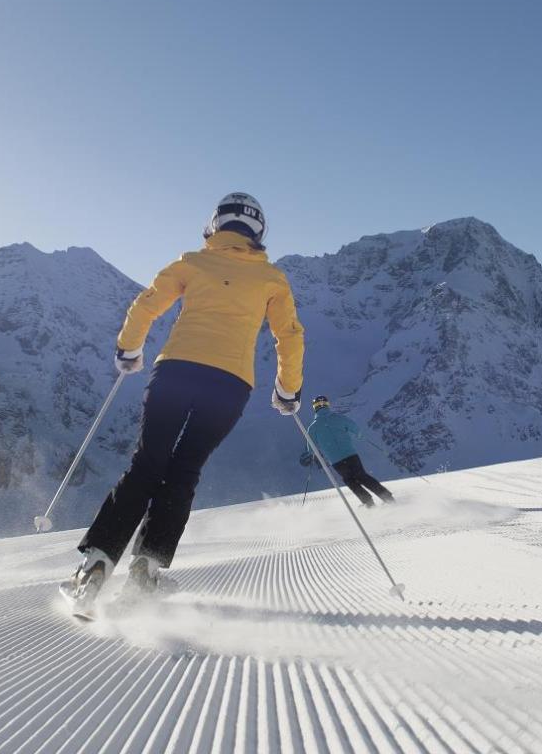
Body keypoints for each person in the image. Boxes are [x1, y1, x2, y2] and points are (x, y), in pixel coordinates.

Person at [63, 192, 305, 609]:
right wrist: (288, 389)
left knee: (147, 462)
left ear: (215, 225)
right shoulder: (271, 278)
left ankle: (96, 565)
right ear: (259, 233)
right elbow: (289, 336)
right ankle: (146, 570)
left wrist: (129, 349)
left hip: (176, 372)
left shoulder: (191, 263)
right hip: (230, 385)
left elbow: (147, 305)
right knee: (184, 470)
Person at [298, 395, 395, 507]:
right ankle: (387, 497)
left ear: (315, 408)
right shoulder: (338, 418)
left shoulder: (313, 428)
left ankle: (368, 503)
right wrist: (359, 435)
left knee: (349, 480)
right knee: (362, 476)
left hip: (336, 461)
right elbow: (354, 427)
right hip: (351, 455)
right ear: (327, 405)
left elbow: (310, 447)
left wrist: (312, 454)